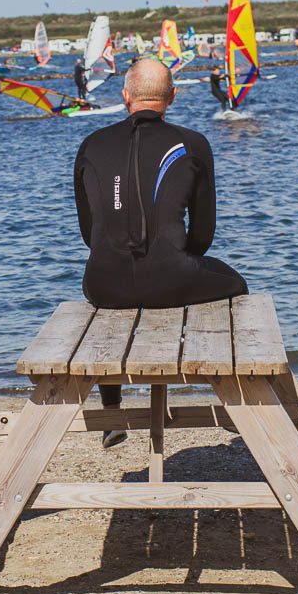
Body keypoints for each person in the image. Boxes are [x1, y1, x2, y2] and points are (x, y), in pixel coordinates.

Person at [74, 58, 248, 447]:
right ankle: (234, 402)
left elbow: (90, 233)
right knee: (236, 284)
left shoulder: (92, 145)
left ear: (125, 96)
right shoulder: (192, 144)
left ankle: (113, 412)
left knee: (109, 291)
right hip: (173, 277)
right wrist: (176, 259)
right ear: (172, 96)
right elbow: (204, 231)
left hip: (103, 284)